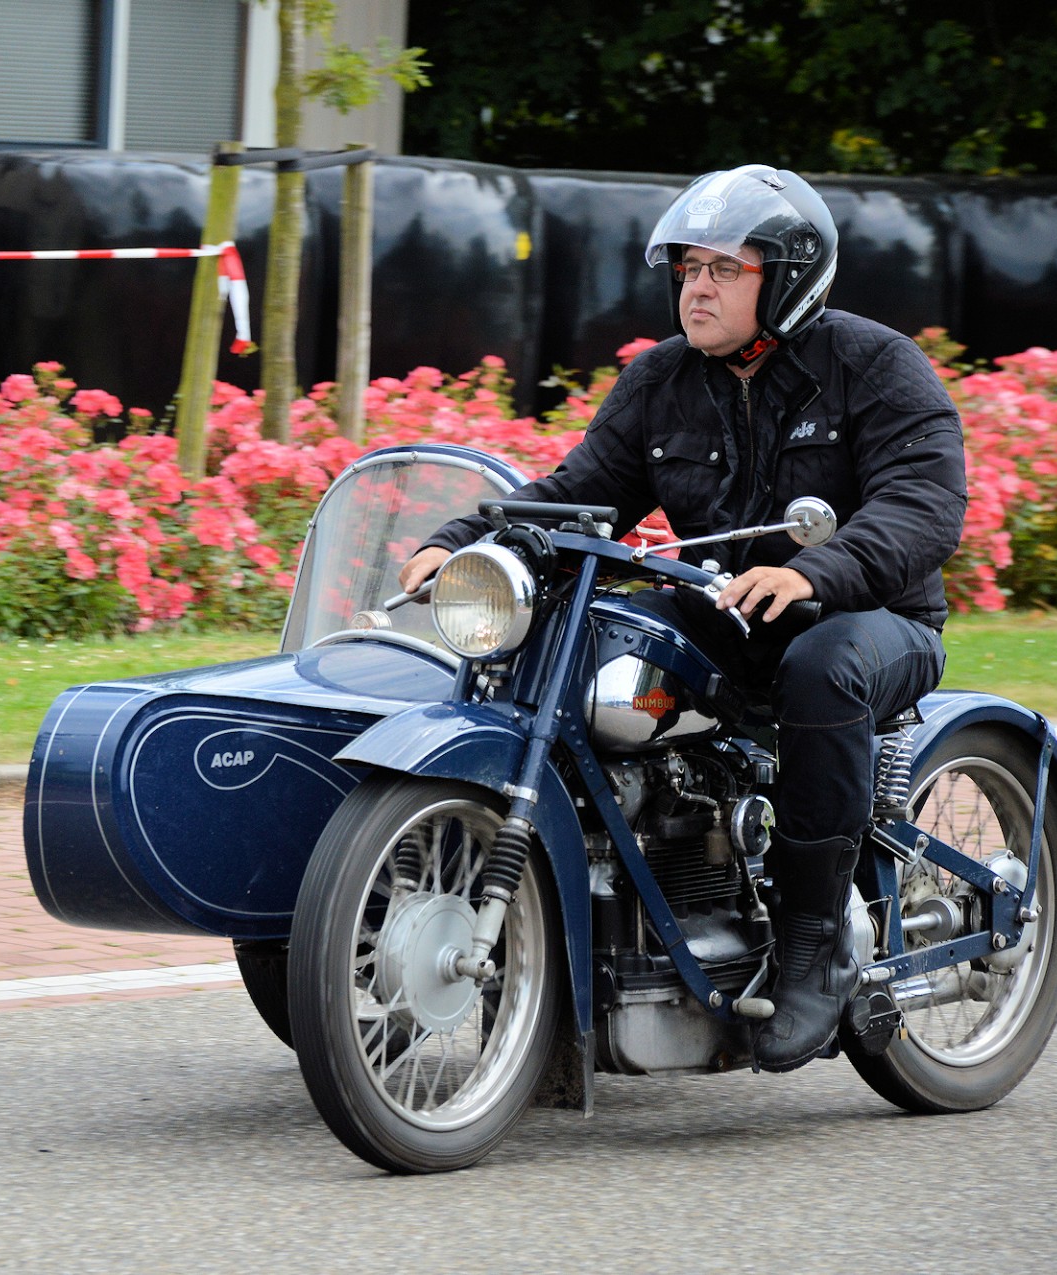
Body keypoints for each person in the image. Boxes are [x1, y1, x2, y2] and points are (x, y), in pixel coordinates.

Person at [398, 164, 968, 1072]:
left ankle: (812, 943)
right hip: (728, 614)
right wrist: (464, 542)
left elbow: (923, 505)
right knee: (594, 640)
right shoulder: (663, 379)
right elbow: (581, 493)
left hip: (873, 619)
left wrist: (817, 570)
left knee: (823, 665)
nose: (694, 287)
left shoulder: (875, 364)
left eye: (721, 270)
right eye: (688, 269)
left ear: (786, 274)